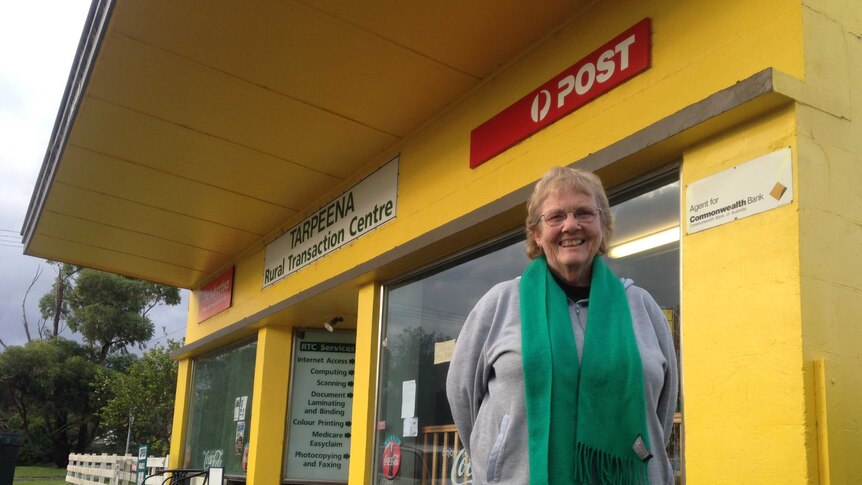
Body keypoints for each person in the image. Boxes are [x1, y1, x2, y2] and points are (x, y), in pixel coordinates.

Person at [447, 166, 678, 484]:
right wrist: (501, 461)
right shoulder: (499, 305)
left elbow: (661, 413)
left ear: (603, 227)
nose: (571, 225)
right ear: (536, 235)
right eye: (555, 217)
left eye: (584, 213)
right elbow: (462, 398)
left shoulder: (642, 307)